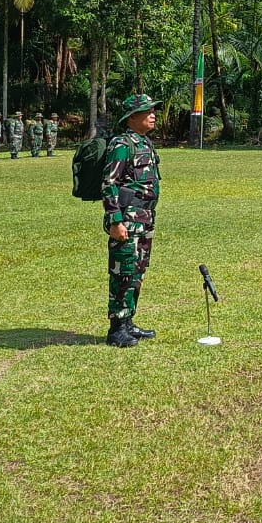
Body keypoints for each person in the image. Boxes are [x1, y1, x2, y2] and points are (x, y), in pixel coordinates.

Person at [102, 93, 162, 348]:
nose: (153, 115)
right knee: (123, 271)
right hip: (127, 220)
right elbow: (109, 183)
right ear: (133, 117)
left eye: (153, 111)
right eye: (147, 111)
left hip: (144, 218)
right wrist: (115, 221)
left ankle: (128, 322)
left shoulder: (144, 143)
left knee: (137, 270)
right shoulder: (122, 144)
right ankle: (116, 328)